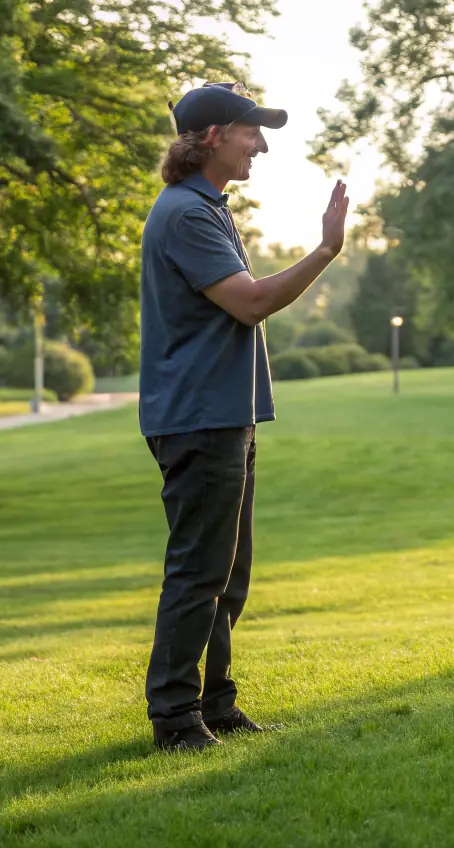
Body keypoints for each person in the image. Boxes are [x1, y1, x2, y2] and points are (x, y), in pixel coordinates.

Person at [138, 81, 349, 751]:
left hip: (224, 415)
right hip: (198, 418)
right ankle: (175, 718)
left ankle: (215, 703)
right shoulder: (188, 215)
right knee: (199, 571)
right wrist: (324, 251)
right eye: (249, 131)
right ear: (210, 137)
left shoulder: (208, 208)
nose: (259, 144)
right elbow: (251, 303)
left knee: (227, 572)